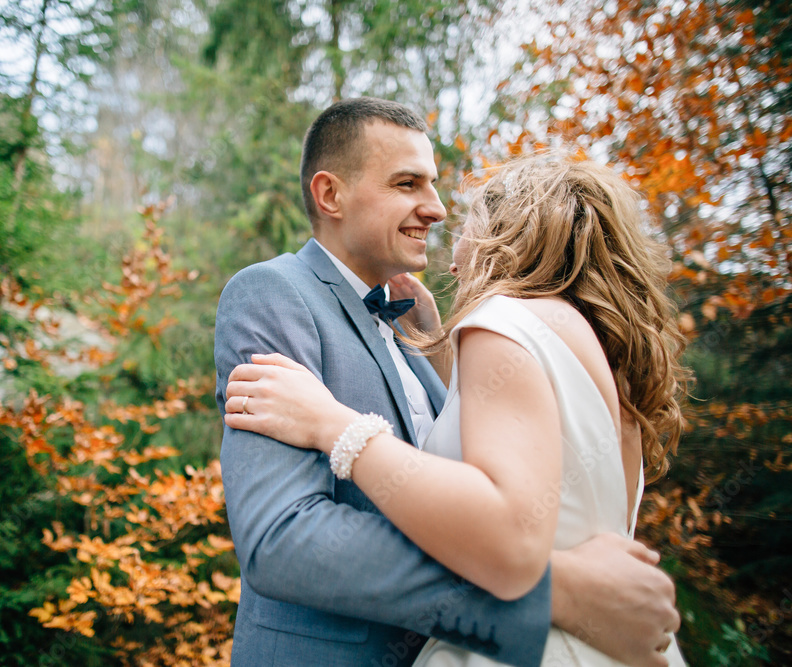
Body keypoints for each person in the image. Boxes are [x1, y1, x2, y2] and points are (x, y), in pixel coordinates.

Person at [214, 97, 681, 667]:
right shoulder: (274, 293)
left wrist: (434, 359)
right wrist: (555, 596)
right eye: (408, 183)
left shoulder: (427, 331)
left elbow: (466, 488)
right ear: (330, 194)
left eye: (433, 184)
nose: (435, 208)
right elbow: (282, 539)